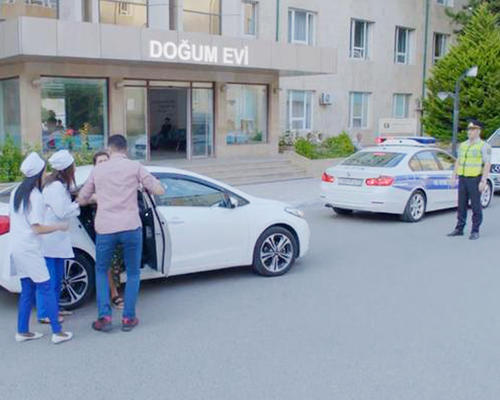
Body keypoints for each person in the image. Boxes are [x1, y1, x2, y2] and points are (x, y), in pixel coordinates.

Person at [77, 135, 165, 332]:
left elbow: (82, 198)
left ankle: (104, 317)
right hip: (131, 227)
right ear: (126, 149)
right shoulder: (135, 167)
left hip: (105, 229)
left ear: (109, 149)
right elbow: (158, 190)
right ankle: (128, 318)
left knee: (101, 270)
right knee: (133, 272)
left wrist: (97, 197)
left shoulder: (98, 170)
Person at [9, 152, 73, 344]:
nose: (46, 174)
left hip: (18, 248)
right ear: (39, 173)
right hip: (30, 250)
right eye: (44, 171)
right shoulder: (35, 196)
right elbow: (37, 228)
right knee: (46, 288)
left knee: (27, 290)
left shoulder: (17, 191)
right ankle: (57, 332)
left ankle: (22, 331)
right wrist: (59, 226)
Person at [37, 150, 80, 324]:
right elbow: (62, 212)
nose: (75, 168)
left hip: (57, 240)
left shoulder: (59, 185)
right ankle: (45, 313)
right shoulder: (55, 187)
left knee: (57, 279)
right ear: (66, 168)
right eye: (73, 165)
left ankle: (54, 308)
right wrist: (79, 203)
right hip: (50, 240)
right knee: (50, 280)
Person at [447, 119, 492, 240]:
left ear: (478, 131)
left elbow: (487, 164)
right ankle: (459, 228)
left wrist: (483, 181)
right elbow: (458, 161)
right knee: (461, 204)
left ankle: (475, 230)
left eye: (472, 129)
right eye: (468, 129)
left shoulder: (484, 146)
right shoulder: (463, 145)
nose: (469, 132)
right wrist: (454, 176)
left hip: (475, 179)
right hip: (463, 178)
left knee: (476, 206)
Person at [92, 150, 124, 310]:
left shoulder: (117, 179)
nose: (104, 164)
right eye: (100, 162)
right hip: (103, 227)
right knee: (108, 261)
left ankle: (115, 289)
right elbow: (84, 196)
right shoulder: (93, 181)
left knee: (117, 259)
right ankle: (114, 294)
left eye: (106, 161)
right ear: (95, 166)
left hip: (120, 225)